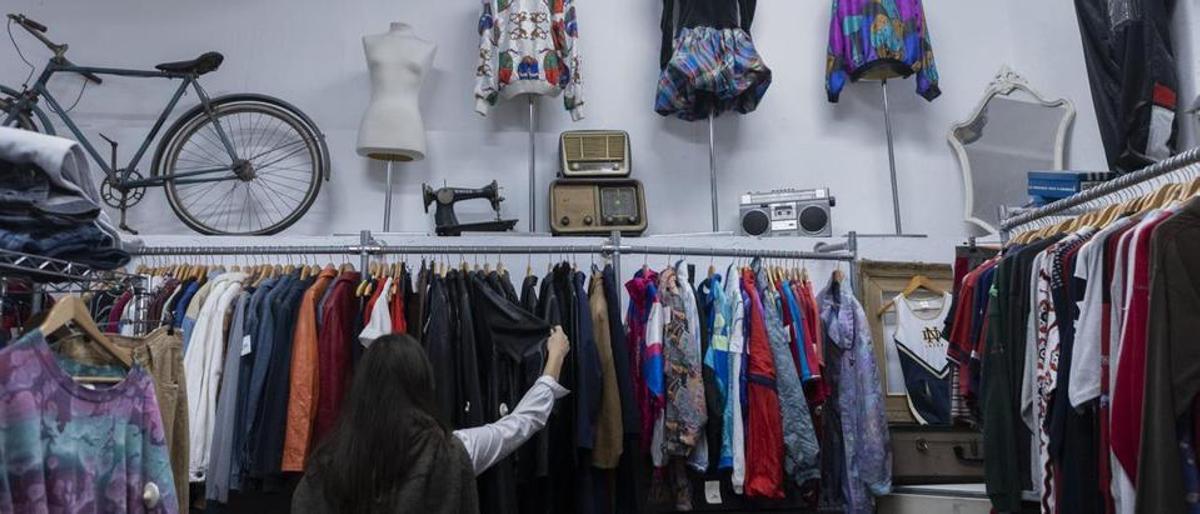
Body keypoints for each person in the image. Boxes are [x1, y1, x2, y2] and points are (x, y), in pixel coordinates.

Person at [292, 328, 571, 513]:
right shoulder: (450, 452)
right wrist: (555, 358)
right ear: (423, 385)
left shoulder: (327, 465)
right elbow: (519, 424)